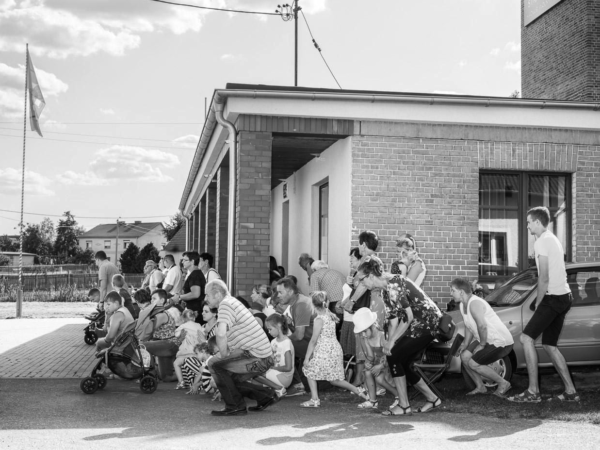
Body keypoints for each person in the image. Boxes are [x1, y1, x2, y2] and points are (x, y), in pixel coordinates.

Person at [508, 206, 579, 403]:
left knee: (525, 338)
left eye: (529, 222)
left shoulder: (541, 242)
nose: (527, 226)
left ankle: (533, 392)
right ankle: (571, 392)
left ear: (538, 222)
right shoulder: (553, 239)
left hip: (553, 298)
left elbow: (544, 277)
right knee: (549, 345)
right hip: (564, 297)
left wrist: (538, 303)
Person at [205, 279, 278, 416]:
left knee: (214, 364)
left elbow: (220, 334)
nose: (205, 298)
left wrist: (223, 355)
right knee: (228, 378)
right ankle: (265, 396)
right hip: (264, 357)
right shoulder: (233, 302)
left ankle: (235, 406)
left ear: (217, 294)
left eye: (207, 295)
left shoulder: (225, 305)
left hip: (256, 356)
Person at [378, 272, 443, 416]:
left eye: (362, 280)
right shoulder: (385, 291)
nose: (362, 284)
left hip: (426, 324)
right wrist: (389, 344)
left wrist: (392, 343)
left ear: (371, 276)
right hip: (416, 326)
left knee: (394, 357)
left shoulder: (393, 284)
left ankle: (403, 405)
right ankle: (433, 399)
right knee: (402, 361)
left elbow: (408, 316)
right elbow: (393, 321)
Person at [300, 291, 369, 408]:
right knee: (335, 379)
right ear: (327, 302)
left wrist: (307, 358)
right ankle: (359, 391)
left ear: (312, 305)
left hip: (324, 350)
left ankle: (314, 399)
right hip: (334, 349)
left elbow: (313, 340)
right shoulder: (330, 316)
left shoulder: (319, 319)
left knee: (309, 370)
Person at [451, 277, 514, 397]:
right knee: (465, 357)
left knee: (474, 364)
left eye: (453, 290)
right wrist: (465, 344)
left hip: (500, 341)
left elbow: (482, 326)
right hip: (485, 339)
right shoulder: (463, 305)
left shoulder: (474, 303)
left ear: (461, 292)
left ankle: (503, 383)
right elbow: (468, 325)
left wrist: (482, 345)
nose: (451, 293)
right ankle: (480, 387)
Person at [275, 277, 316, 397]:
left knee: (282, 346)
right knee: (281, 345)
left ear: (290, 292)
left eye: (280, 292)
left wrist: (281, 340)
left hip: (316, 345)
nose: (278, 295)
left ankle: (297, 385)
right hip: (311, 342)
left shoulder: (301, 304)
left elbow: (299, 335)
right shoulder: (297, 302)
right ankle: (291, 382)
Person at [135, 289, 185, 382]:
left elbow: (148, 331)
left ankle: (149, 374)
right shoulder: (158, 312)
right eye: (151, 299)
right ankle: (187, 374)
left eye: (154, 298)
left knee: (142, 346)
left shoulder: (161, 314)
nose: (151, 301)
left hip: (168, 344)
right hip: (165, 344)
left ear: (161, 300)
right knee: (166, 377)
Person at [353, 307, 398, 409]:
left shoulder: (382, 336)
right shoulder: (367, 338)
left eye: (364, 331)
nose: (363, 335)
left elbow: (390, 353)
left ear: (372, 326)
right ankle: (372, 401)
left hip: (389, 361)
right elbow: (370, 356)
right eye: (361, 332)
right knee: (367, 371)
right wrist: (368, 362)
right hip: (378, 362)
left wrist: (381, 366)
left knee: (379, 378)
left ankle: (398, 396)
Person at [253, 313, 295, 397]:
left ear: (278, 326)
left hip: (284, 377)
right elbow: (270, 360)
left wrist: (272, 368)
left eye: (270, 329)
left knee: (254, 374)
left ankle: (279, 388)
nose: (269, 332)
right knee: (253, 378)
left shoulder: (286, 343)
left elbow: (288, 368)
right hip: (275, 373)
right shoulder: (273, 342)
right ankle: (274, 389)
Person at [172, 251, 206, 324]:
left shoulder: (195, 275)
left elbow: (195, 294)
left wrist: (179, 297)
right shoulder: (195, 273)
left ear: (192, 261)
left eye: (185, 260)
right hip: (195, 311)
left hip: (196, 312)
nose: (182, 262)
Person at [173, 309, 205, 390]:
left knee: (176, 363)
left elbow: (176, 335)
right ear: (194, 318)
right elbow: (203, 333)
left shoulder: (183, 326)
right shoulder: (198, 325)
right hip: (196, 353)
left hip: (185, 352)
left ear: (183, 319)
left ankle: (181, 382)